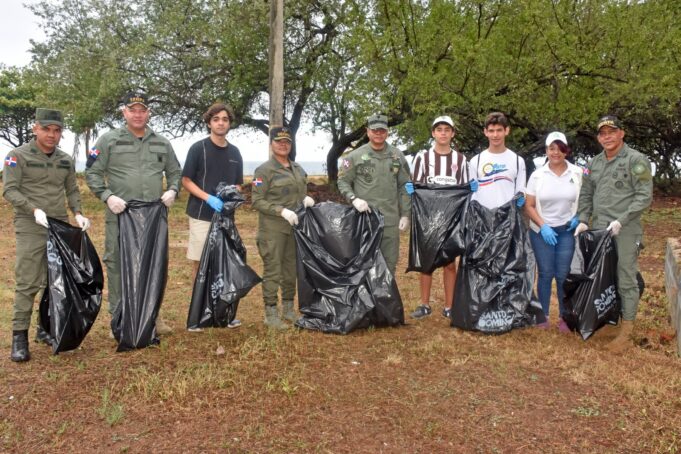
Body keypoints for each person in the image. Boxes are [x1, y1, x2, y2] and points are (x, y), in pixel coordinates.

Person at [85, 90, 182, 335]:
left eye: (142, 110)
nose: (138, 114)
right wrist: (107, 197)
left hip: (152, 217)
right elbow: (93, 173)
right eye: (132, 110)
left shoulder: (162, 142)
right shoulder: (108, 140)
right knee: (118, 264)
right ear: (124, 112)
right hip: (121, 214)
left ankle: (153, 316)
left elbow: (174, 172)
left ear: (148, 112)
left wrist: (172, 190)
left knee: (153, 263)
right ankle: (119, 319)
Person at [3, 108, 90, 362]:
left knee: (56, 279)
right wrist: (33, 210)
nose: (51, 135)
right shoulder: (16, 156)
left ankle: (45, 328)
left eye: (56, 131)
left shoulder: (64, 159)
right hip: (31, 224)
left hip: (59, 224)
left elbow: (72, 189)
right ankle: (19, 336)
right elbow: (9, 190)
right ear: (35, 129)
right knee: (28, 280)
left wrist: (78, 213)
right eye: (46, 129)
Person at [574, 115, 653, 352]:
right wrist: (582, 220)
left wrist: (622, 220)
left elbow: (644, 196)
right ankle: (610, 321)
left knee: (625, 278)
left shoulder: (637, 160)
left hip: (625, 230)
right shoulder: (592, 164)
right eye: (602, 133)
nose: (606, 136)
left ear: (621, 134)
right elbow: (586, 194)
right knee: (604, 277)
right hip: (599, 231)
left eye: (611, 131)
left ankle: (626, 331)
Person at [181, 103, 243, 330]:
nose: (220, 123)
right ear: (209, 122)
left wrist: (231, 197)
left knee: (224, 263)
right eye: (216, 119)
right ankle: (198, 315)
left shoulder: (235, 152)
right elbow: (186, 180)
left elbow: (238, 183)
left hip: (226, 218)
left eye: (225, 119)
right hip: (201, 214)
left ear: (229, 124)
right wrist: (208, 198)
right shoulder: (198, 149)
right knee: (201, 263)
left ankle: (223, 312)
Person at [406, 115, 470, 320]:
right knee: (427, 261)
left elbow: (464, 190)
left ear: (452, 133)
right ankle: (424, 304)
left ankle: (449, 306)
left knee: (450, 262)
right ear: (433, 133)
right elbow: (416, 186)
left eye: (447, 129)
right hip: (428, 218)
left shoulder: (461, 160)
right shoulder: (422, 158)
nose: (443, 133)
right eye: (439, 129)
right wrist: (411, 192)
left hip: (451, 219)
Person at [251, 127, 315, 330]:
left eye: (287, 141)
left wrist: (304, 199)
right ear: (271, 144)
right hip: (273, 229)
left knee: (290, 271)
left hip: (294, 228)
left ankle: (288, 309)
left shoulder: (297, 168)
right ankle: (271, 313)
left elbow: (298, 192)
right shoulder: (263, 170)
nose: (283, 144)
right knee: (273, 271)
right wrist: (281, 211)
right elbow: (257, 200)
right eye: (279, 141)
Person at [337, 114, 411, 275]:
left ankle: (385, 298)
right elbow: (342, 181)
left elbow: (406, 186)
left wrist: (406, 214)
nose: (378, 133)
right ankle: (364, 298)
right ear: (367, 131)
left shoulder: (397, 156)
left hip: (390, 220)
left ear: (387, 132)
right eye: (374, 130)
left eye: (382, 131)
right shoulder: (354, 156)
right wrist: (353, 199)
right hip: (364, 219)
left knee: (390, 262)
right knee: (363, 261)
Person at [525, 132, 583, 332]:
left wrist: (580, 216)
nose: (555, 152)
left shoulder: (576, 173)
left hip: (567, 230)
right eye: (551, 148)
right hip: (542, 230)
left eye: (560, 148)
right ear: (546, 151)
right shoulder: (538, 175)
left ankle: (564, 317)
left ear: (566, 151)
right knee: (545, 273)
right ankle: (543, 315)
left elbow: (586, 199)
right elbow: (529, 205)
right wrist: (543, 225)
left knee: (562, 275)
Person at [469, 112, 526, 209]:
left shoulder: (518, 161)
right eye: (491, 131)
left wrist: (522, 196)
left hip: (508, 218)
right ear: (485, 132)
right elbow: (472, 196)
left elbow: (521, 190)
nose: (495, 135)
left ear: (506, 131)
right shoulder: (475, 161)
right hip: (482, 219)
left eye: (499, 130)